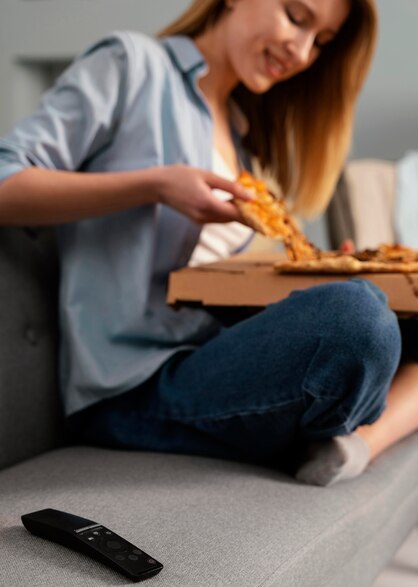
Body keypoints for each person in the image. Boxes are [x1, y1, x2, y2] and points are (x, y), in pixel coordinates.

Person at [0, 0, 416, 487]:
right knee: (357, 318)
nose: (302, 51)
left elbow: (220, 281)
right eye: (296, 18)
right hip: (133, 389)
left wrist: (326, 271)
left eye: (320, 42)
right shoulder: (131, 65)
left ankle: (352, 444)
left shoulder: (244, 134)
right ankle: (351, 430)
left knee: (368, 304)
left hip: (220, 359)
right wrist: (154, 185)